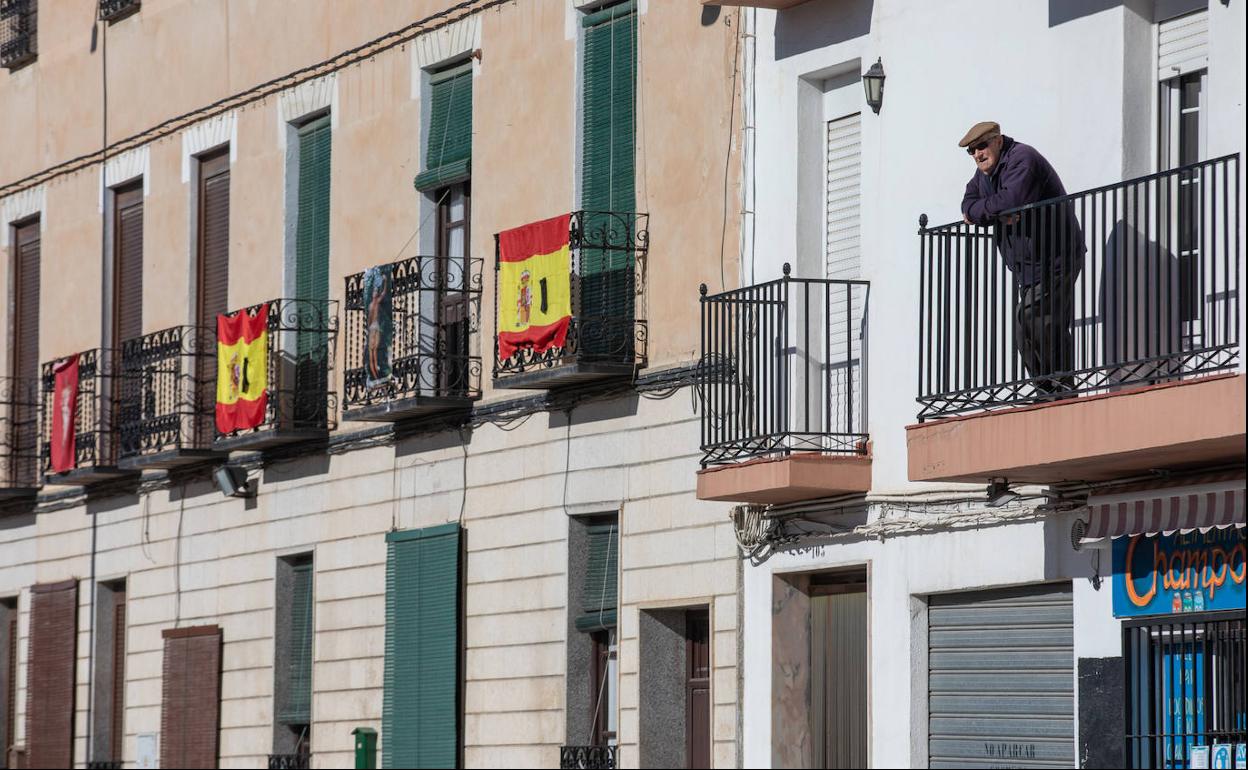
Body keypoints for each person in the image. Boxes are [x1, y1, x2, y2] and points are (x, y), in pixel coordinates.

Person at [960, 121, 1085, 396]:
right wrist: (993, 212)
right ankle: (1048, 388)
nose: (978, 154)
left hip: (1055, 255)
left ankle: (1060, 387)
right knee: (1028, 328)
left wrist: (990, 211)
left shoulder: (1022, 159)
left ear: (998, 140)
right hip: (1027, 266)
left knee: (1034, 318)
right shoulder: (984, 175)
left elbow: (1011, 199)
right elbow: (967, 204)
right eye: (971, 151)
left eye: (982, 146)